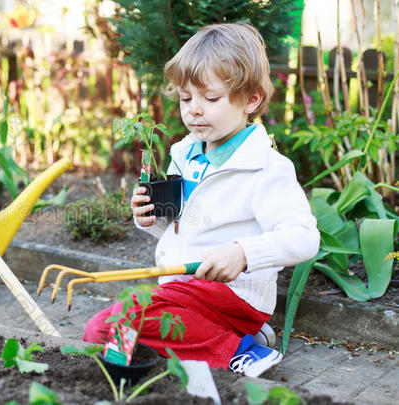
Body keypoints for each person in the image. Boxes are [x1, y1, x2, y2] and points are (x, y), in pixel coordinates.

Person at [83, 23, 320, 377]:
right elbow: (186, 229)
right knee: (116, 340)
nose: (194, 110)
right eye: (185, 98)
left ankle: (238, 351)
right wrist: (150, 217)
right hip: (186, 290)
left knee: (107, 327)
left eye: (210, 99)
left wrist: (243, 253)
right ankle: (222, 337)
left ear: (251, 99)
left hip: (232, 295)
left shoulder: (266, 168)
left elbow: (304, 236)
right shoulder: (185, 154)